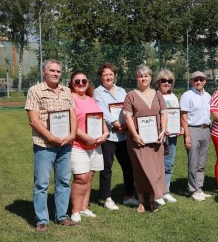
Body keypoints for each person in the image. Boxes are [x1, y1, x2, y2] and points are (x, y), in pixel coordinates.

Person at [25, 59, 78, 232]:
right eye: (52, 71)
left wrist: (72, 135)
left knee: (64, 181)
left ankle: (61, 216)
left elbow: (72, 115)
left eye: (58, 71)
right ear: (44, 72)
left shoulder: (66, 91)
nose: (56, 74)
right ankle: (42, 219)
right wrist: (51, 137)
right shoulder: (35, 90)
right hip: (44, 145)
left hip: (65, 144)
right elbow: (33, 120)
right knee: (41, 184)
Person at [123, 65, 168, 212]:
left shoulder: (158, 94)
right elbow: (128, 117)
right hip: (138, 140)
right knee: (140, 170)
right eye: (140, 76)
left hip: (155, 140)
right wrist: (135, 135)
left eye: (146, 76)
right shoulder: (131, 95)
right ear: (137, 78)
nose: (143, 78)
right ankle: (141, 200)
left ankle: (153, 199)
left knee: (155, 170)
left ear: (151, 78)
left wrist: (162, 131)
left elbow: (164, 113)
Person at [94, 62, 138, 210]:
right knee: (106, 168)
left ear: (114, 76)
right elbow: (101, 109)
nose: (108, 77)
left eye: (111, 74)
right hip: (109, 136)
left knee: (128, 166)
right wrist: (114, 123)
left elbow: (128, 108)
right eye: (105, 74)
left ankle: (129, 196)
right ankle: (107, 198)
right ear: (100, 77)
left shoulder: (121, 91)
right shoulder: (97, 92)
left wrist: (126, 124)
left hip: (124, 135)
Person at [68, 71, 109, 222]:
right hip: (78, 145)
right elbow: (71, 124)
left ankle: (84, 207)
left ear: (87, 83)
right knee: (81, 177)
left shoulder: (91, 99)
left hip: (95, 145)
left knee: (90, 175)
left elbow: (99, 117)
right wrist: (86, 138)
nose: (80, 84)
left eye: (83, 81)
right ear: (72, 84)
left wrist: (105, 133)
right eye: (77, 81)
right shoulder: (70, 99)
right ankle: (75, 210)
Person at [180, 71, 212, 201]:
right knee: (193, 161)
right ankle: (193, 190)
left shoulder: (208, 96)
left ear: (205, 81)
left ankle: (199, 188)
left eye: (201, 79)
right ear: (192, 81)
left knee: (202, 162)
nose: (198, 82)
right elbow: (183, 116)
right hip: (193, 129)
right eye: (195, 80)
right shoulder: (187, 95)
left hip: (206, 129)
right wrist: (187, 136)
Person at [155, 69, 182, 205]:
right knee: (157, 164)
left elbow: (176, 115)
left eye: (169, 81)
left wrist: (180, 127)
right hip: (159, 136)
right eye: (163, 81)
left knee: (169, 163)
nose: (166, 83)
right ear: (158, 82)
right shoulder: (154, 96)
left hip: (172, 136)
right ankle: (157, 192)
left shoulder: (173, 97)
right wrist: (162, 129)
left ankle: (166, 191)